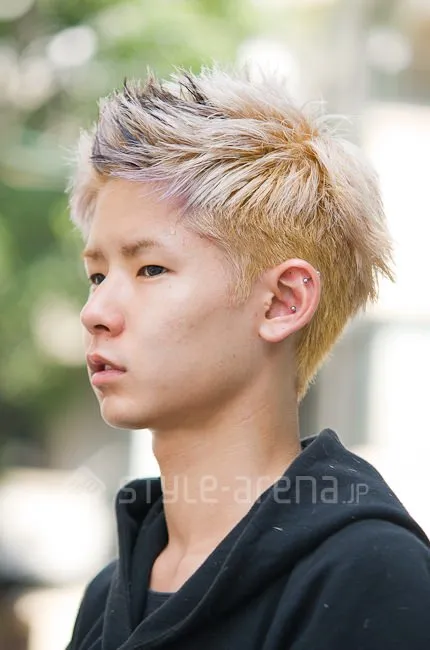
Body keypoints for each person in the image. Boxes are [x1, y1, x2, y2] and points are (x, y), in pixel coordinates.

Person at [66, 66, 430, 650]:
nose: (96, 311)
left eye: (151, 269)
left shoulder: (371, 577)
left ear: (284, 302)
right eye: (97, 274)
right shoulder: (107, 596)